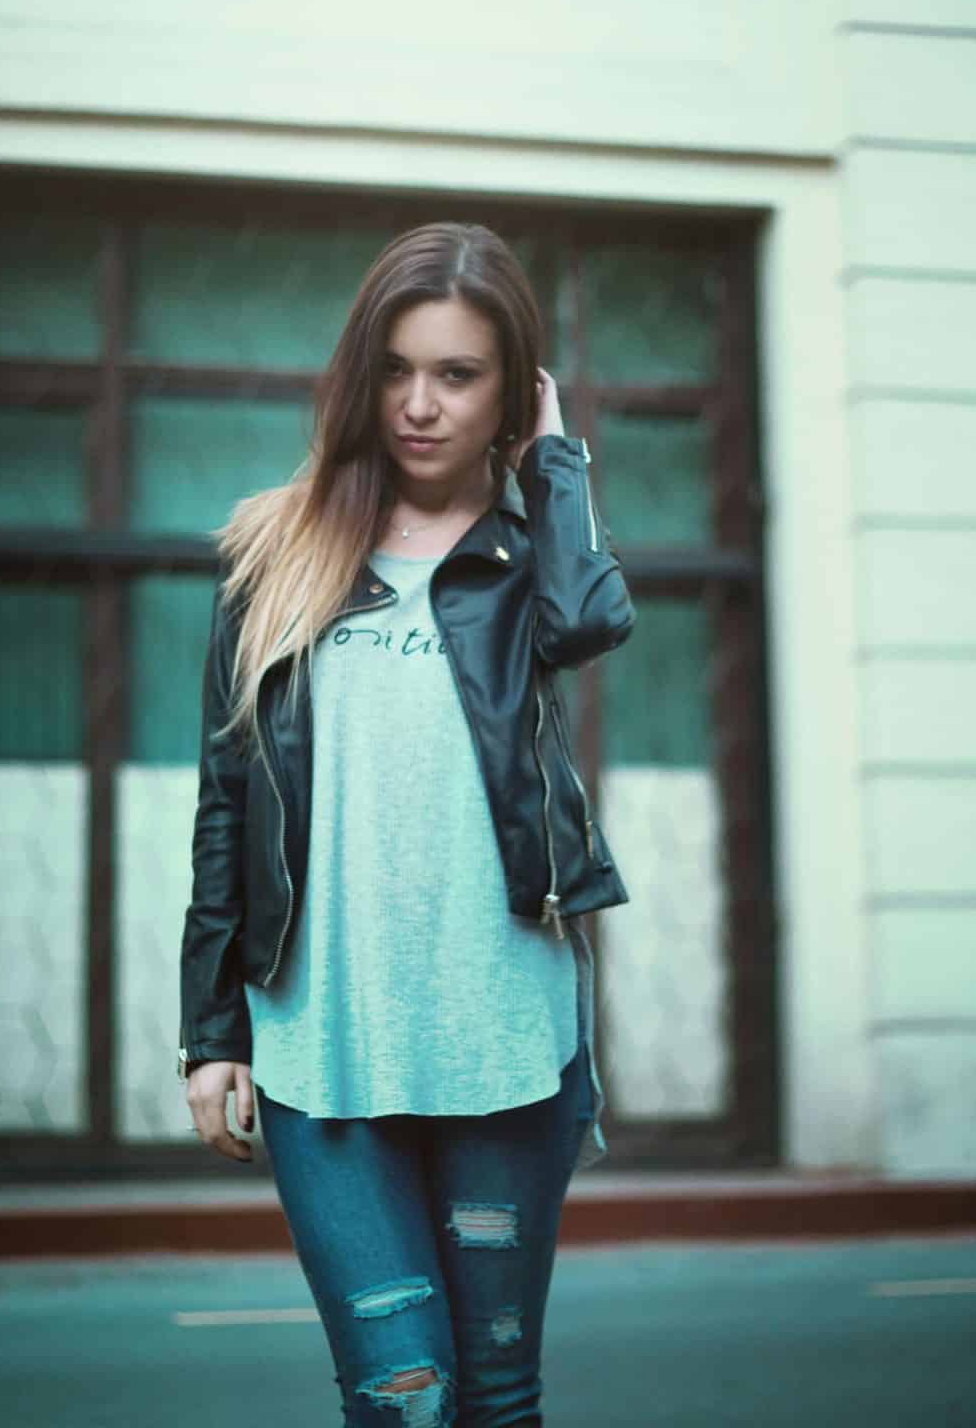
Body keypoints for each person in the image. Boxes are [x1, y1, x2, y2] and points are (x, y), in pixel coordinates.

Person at [177, 220, 634, 1426]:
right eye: (394, 369)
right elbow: (228, 797)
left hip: (503, 1044)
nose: (419, 404)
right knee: (402, 1398)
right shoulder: (274, 549)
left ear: (509, 394)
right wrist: (209, 1027)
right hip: (322, 1047)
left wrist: (557, 465)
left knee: (493, 1396)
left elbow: (591, 627)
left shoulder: (536, 550)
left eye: (457, 374)